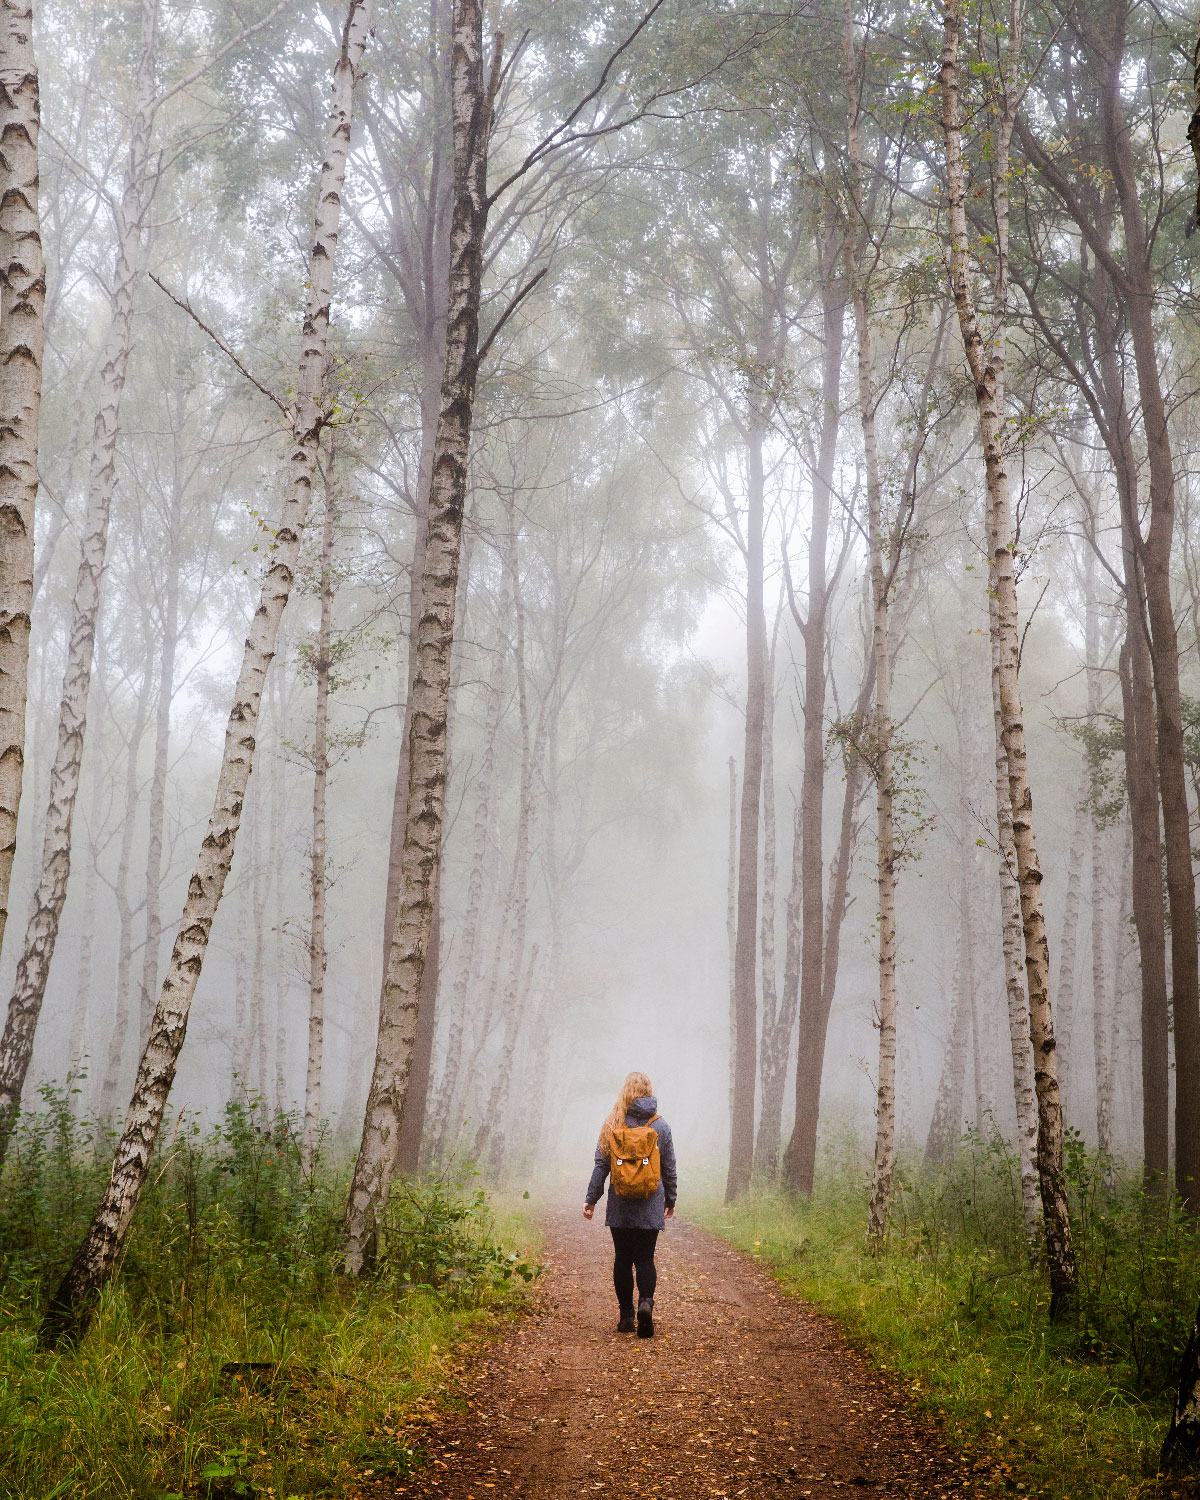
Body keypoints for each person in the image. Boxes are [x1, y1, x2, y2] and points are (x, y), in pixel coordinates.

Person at [583, 1070, 677, 1338]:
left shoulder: (613, 1122)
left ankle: (626, 1317)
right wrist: (670, 1199)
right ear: (649, 1091)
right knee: (645, 1258)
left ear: (625, 1092)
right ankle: (645, 1303)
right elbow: (669, 1168)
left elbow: (601, 1166)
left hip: (621, 1202)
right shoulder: (661, 1126)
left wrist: (591, 1199)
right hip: (650, 1202)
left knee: (623, 1259)